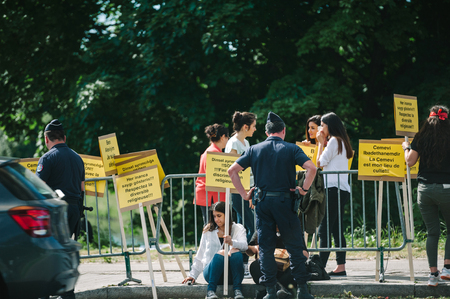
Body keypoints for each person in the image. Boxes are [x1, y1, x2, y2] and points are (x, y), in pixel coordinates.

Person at [228, 111, 317, 299]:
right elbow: (312, 168)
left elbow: (232, 170)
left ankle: (270, 292)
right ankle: (302, 290)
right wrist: (303, 189)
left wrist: (245, 194)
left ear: (267, 132)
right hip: (286, 202)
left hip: (263, 203)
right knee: (294, 247)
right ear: (283, 131)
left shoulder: (254, 149)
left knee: (266, 249)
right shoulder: (292, 149)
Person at [36, 119, 85, 299]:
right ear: (64, 137)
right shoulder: (78, 158)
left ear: (47, 139)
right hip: (73, 211)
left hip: (56, 213)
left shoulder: (47, 158)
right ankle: (66, 293)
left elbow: (38, 188)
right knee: (63, 256)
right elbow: (82, 189)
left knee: (47, 257)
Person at [403, 105, 450, 287]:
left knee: (432, 232)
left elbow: (410, 161)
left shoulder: (421, 137)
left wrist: (406, 147)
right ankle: (447, 268)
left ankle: (432, 275)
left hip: (425, 190)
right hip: (447, 189)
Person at [181, 201, 248, 299]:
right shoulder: (209, 230)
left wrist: (232, 242)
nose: (216, 219)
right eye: (214, 216)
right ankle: (210, 292)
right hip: (212, 272)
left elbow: (245, 246)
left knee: (235, 251)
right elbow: (201, 253)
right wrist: (193, 275)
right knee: (221, 253)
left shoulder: (238, 228)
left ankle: (238, 291)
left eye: (219, 216)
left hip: (233, 274)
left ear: (227, 215)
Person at [315, 112, 353, 276]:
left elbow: (319, 163)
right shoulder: (343, 141)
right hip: (342, 189)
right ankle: (341, 266)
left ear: (330, 126)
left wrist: (320, 144)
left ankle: (320, 266)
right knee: (337, 229)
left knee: (325, 229)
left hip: (332, 189)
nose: (321, 128)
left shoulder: (333, 142)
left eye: (322, 125)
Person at [225, 111, 257, 278]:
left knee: (246, 227)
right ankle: (242, 265)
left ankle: (242, 265)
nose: (255, 129)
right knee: (247, 227)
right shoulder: (233, 144)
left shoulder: (246, 142)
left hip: (247, 189)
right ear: (245, 127)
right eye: (253, 126)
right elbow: (234, 171)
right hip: (238, 191)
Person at [195, 124, 229, 225]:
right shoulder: (215, 153)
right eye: (227, 137)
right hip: (211, 195)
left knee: (210, 225)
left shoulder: (209, 151)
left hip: (207, 194)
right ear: (223, 137)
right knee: (212, 226)